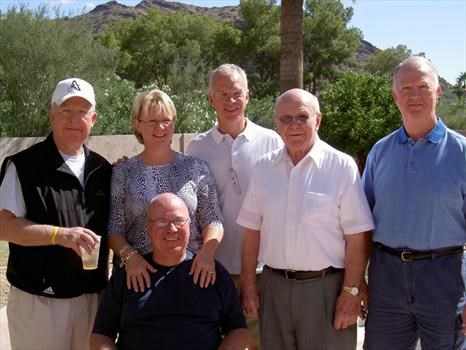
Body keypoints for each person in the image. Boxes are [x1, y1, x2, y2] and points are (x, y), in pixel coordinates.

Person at [238, 88, 375, 349]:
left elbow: (358, 236)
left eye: (302, 117)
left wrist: (351, 291)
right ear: (276, 124)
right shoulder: (262, 168)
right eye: (285, 119)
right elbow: (251, 232)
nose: (294, 125)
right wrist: (248, 285)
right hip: (273, 288)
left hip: (326, 290)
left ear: (318, 120)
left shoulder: (341, 167)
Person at [362, 56, 466, 349]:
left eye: (423, 86)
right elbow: (361, 224)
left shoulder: (462, 153)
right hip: (387, 276)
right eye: (406, 88)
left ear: (438, 92)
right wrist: (356, 283)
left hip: (444, 276)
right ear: (395, 96)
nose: (415, 95)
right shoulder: (379, 153)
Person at [0, 78, 111, 349]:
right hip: (40, 303)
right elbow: (4, 227)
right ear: (52, 114)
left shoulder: (103, 169)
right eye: (66, 111)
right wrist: (59, 235)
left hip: (91, 298)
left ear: (93, 119)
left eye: (81, 112)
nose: (74, 119)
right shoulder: (23, 165)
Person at [186, 63, 282, 347]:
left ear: (248, 96)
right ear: (210, 99)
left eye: (237, 93)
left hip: (263, 269)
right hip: (212, 268)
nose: (230, 101)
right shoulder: (197, 147)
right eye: (223, 94)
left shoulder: (272, 142)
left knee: (260, 342)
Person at [91, 193, 249, 350]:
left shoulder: (213, 272)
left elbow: (238, 331)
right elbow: (101, 336)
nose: (172, 229)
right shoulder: (126, 275)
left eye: (179, 221)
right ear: (149, 227)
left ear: (189, 225)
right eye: (162, 222)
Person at [108, 89, 223, 292]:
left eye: (166, 120)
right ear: (137, 123)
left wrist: (206, 255)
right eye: (151, 121)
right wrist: (131, 260)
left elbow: (213, 220)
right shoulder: (123, 172)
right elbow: (114, 229)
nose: (160, 127)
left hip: (191, 275)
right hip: (139, 278)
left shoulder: (195, 168)